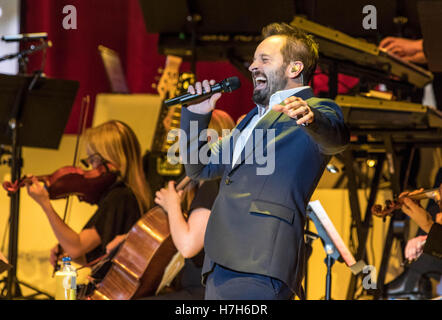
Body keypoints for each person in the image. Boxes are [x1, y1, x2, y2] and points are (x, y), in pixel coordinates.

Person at [179, 22, 349, 300]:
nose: (252, 66)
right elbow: (200, 167)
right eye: (254, 59)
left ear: (294, 69)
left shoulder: (318, 109)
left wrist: (312, 119)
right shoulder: (250, 119)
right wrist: (197, 117)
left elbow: (336, 139)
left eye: (264, 59)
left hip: (261, 259)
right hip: (220, 261)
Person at [26, 120, 153, 268]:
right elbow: (96, 256)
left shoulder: (119, 197)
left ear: (112, 157)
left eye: (94, 159)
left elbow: (76, 247)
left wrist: (45, 204)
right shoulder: (129, 195)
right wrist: (66, 251)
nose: (92, 168)